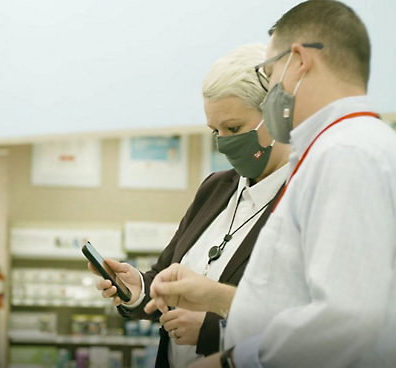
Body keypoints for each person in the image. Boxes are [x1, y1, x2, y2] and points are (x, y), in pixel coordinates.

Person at [145, 1, 396, 367]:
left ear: (298, 61)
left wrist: (230, 361)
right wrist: (214, 295)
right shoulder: (333, 150)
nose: (271, 89)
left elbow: (346, 321)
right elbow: (293, 302)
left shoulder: (349, 153)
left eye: (270, 69)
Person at [88, 44, 291, 368]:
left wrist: (213, 330)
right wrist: (138, 288)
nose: (223, 142)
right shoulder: (215, 188)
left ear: (275, 114)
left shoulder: (299, 199)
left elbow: (304, 320)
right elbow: (167, 274)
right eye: (215, 131)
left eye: (234, 128)